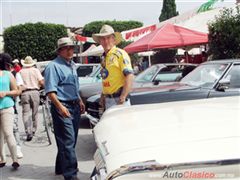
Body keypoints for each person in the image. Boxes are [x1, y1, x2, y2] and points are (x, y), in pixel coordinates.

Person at [44, 37, 85, 180]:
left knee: (69, 140)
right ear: (60, 51)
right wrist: (60, 107)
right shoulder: (53, 66)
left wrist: (79, 100)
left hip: (73, 105)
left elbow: (74, 86)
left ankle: (61, 167)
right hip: (62, 106)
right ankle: (71, 175)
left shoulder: (72, 65)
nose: (70, 50)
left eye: (71, 48)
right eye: (66, 48)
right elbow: (50, 91)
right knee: (68, 141)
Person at [92, 24, 134, 110]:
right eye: (103, 39)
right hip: (108, 99)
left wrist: (123, 96)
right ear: (100, 41)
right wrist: (103, 95)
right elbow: (106, 78)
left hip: (119, 99)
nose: (105, 41)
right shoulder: (104, 57)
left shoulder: (120, 54)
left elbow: (129, 75)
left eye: (108, 38)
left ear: (114, 39)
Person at [0, 53, 20, 169]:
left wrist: (5, 93)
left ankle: (15, 159)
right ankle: (2, 159)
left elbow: (17, 91)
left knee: (8, 133)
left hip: (7, 107)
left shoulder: (8, 74)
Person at [19, 56, 44, 141]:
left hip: (24, 93)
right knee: (35, 112)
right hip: (35, 92)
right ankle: (33, 130)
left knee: (25, 113)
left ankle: (28, 131)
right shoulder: (35, 70)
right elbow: (41, 81)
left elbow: (18, 84)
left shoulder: (21, 72)